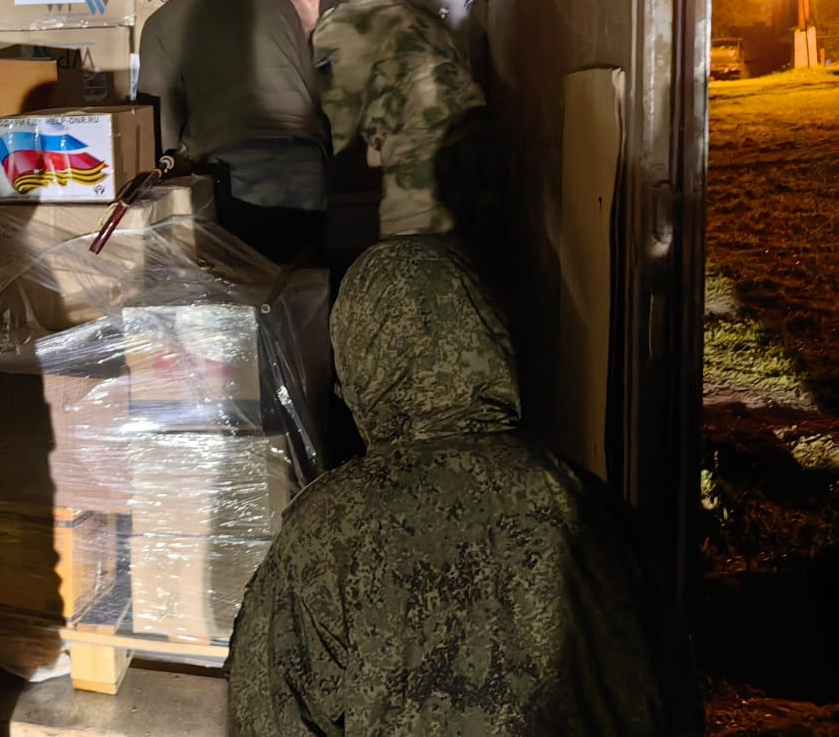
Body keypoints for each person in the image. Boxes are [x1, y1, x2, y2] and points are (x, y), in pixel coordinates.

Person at [228, 235, 704, 737]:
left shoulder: (328, 532)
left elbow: (266, 714)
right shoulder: (600, 513)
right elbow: (674, 698)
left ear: (361, 362)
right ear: (490, 341)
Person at [137, 0, 331, 265]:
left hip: (238, 181)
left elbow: (158, 116)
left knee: (248, 295)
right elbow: (312, 84)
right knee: (304, 292)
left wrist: (162, 179)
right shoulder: (276, 4)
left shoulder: (162, 22)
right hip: (309, 173)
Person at [280, 0, 491, 239]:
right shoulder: (403, 8)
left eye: (293, 14)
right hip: (472, 129)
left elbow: (337, 126)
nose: (299, 28)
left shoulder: (337, 27)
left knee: (407, 252)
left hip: (420, 145)